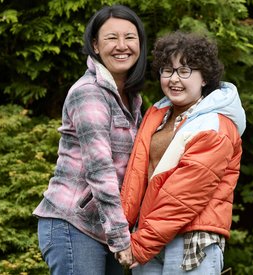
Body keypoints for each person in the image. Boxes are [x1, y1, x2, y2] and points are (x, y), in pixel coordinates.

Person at [32, 4, 147, 275]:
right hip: (74, 225)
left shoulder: (131, 99)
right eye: (111, 38)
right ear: (95, 45)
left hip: (106, 229)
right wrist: (121, 237)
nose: (122, 46)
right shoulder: (89, 93)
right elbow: (100, 169)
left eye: (130, 37)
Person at [119, 31, 246, 274]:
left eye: (185, 70)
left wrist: (141, 243)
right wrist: (124, 231)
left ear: (205, 78)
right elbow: (137, 179)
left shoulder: (216, 124)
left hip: (191, 238)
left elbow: (184, 194)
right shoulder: (157, 115)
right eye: (167, 70)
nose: (174, 79)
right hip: (149, 235)